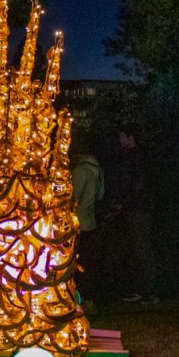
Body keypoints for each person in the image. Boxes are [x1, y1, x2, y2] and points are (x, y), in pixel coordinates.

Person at [111, 123, 159, 305]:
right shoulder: (130, 157)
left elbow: (138, 184)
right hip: (132, 207)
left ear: (131, 138)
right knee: (135, 248)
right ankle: (142, 288)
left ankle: (150, 290)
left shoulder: (136, 158)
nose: (120, 140)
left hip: (138, 209)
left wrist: (125, 201)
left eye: (123, 136)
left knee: (141, 248)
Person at [70, 134, 105, 315]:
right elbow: (99, 195)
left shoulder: (80, 171)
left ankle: (80, 301)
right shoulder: (97, 169)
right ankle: (90, 300)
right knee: (88, 262)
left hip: (78, 224)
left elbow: (73, 198)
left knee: (77, 264)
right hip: (91, 222)